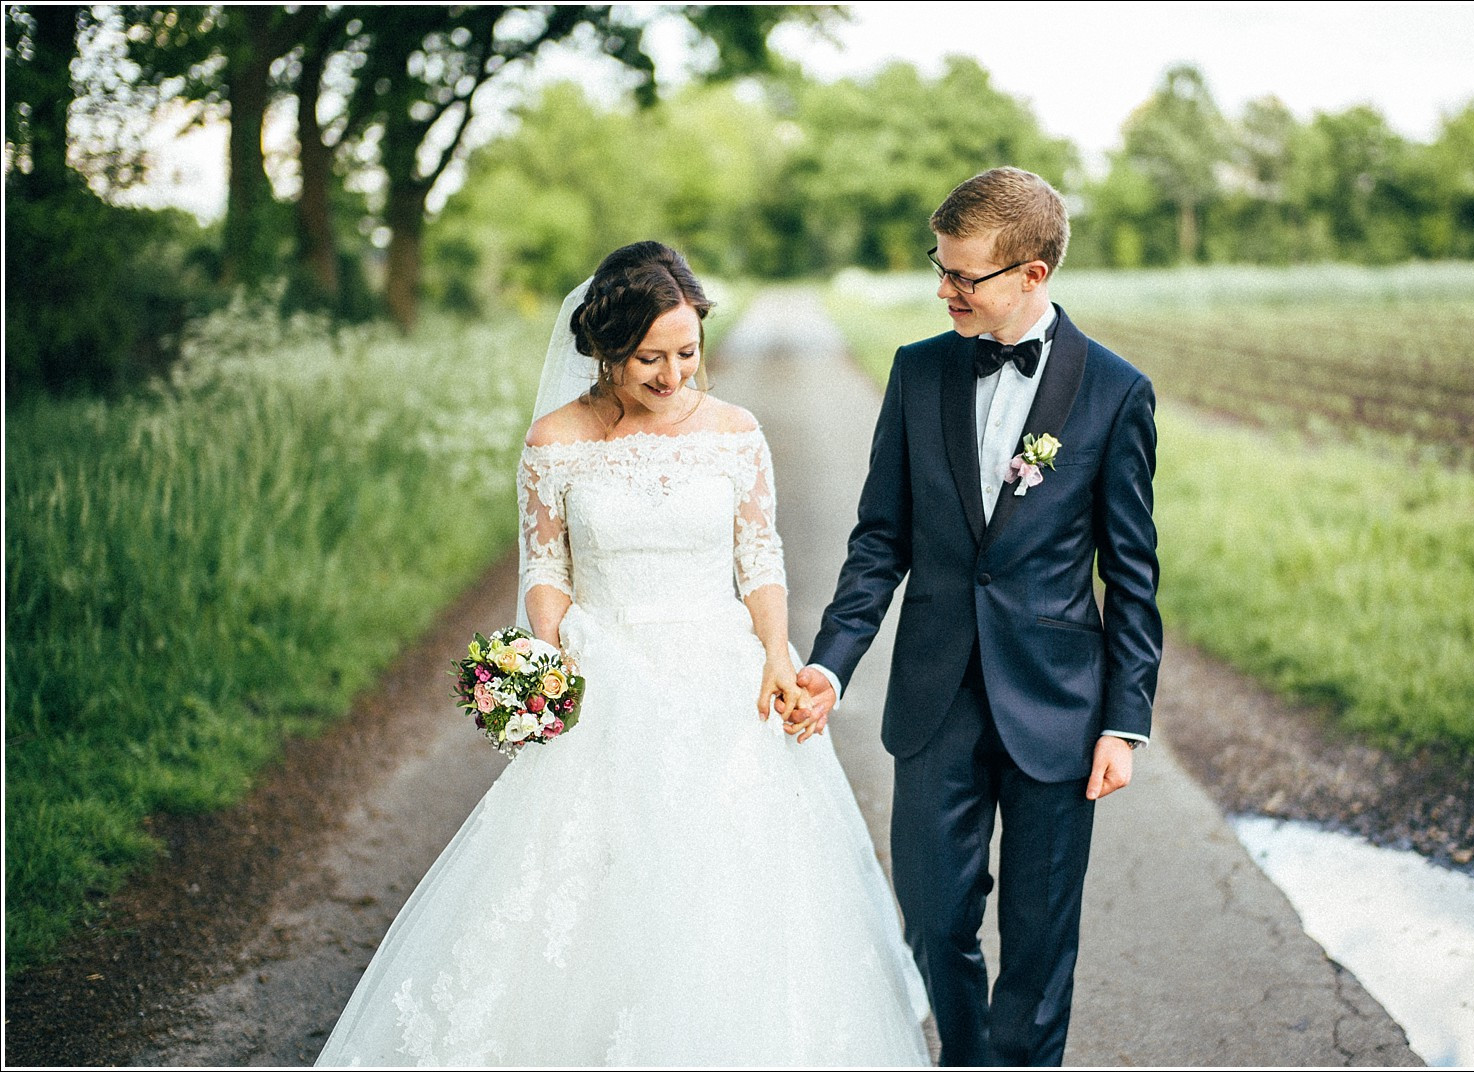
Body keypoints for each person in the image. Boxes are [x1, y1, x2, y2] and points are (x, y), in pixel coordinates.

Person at [315, 242, 931, 1066]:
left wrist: (778, 655)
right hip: (607, 679)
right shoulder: (555, 441)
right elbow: (547, 565)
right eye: (650, 357)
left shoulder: (735, 434)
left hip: (723, 686)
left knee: (727, 896)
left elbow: (760, 560)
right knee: (594, 889)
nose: (674, 374)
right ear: (605, 349)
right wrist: (547, 656)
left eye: (687, 352)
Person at [790, 168, 1162, 1066]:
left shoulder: (1115, 391)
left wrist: (1125, 719)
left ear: (1033, 273)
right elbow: (880, 540)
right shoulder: (918, 372)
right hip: (936, 699)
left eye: (966, 276)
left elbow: (1134, 575)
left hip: (1060, 710)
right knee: (932, 916)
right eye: (941, 269)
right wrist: (831, 664)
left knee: (1038, 945)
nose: (945, 289)